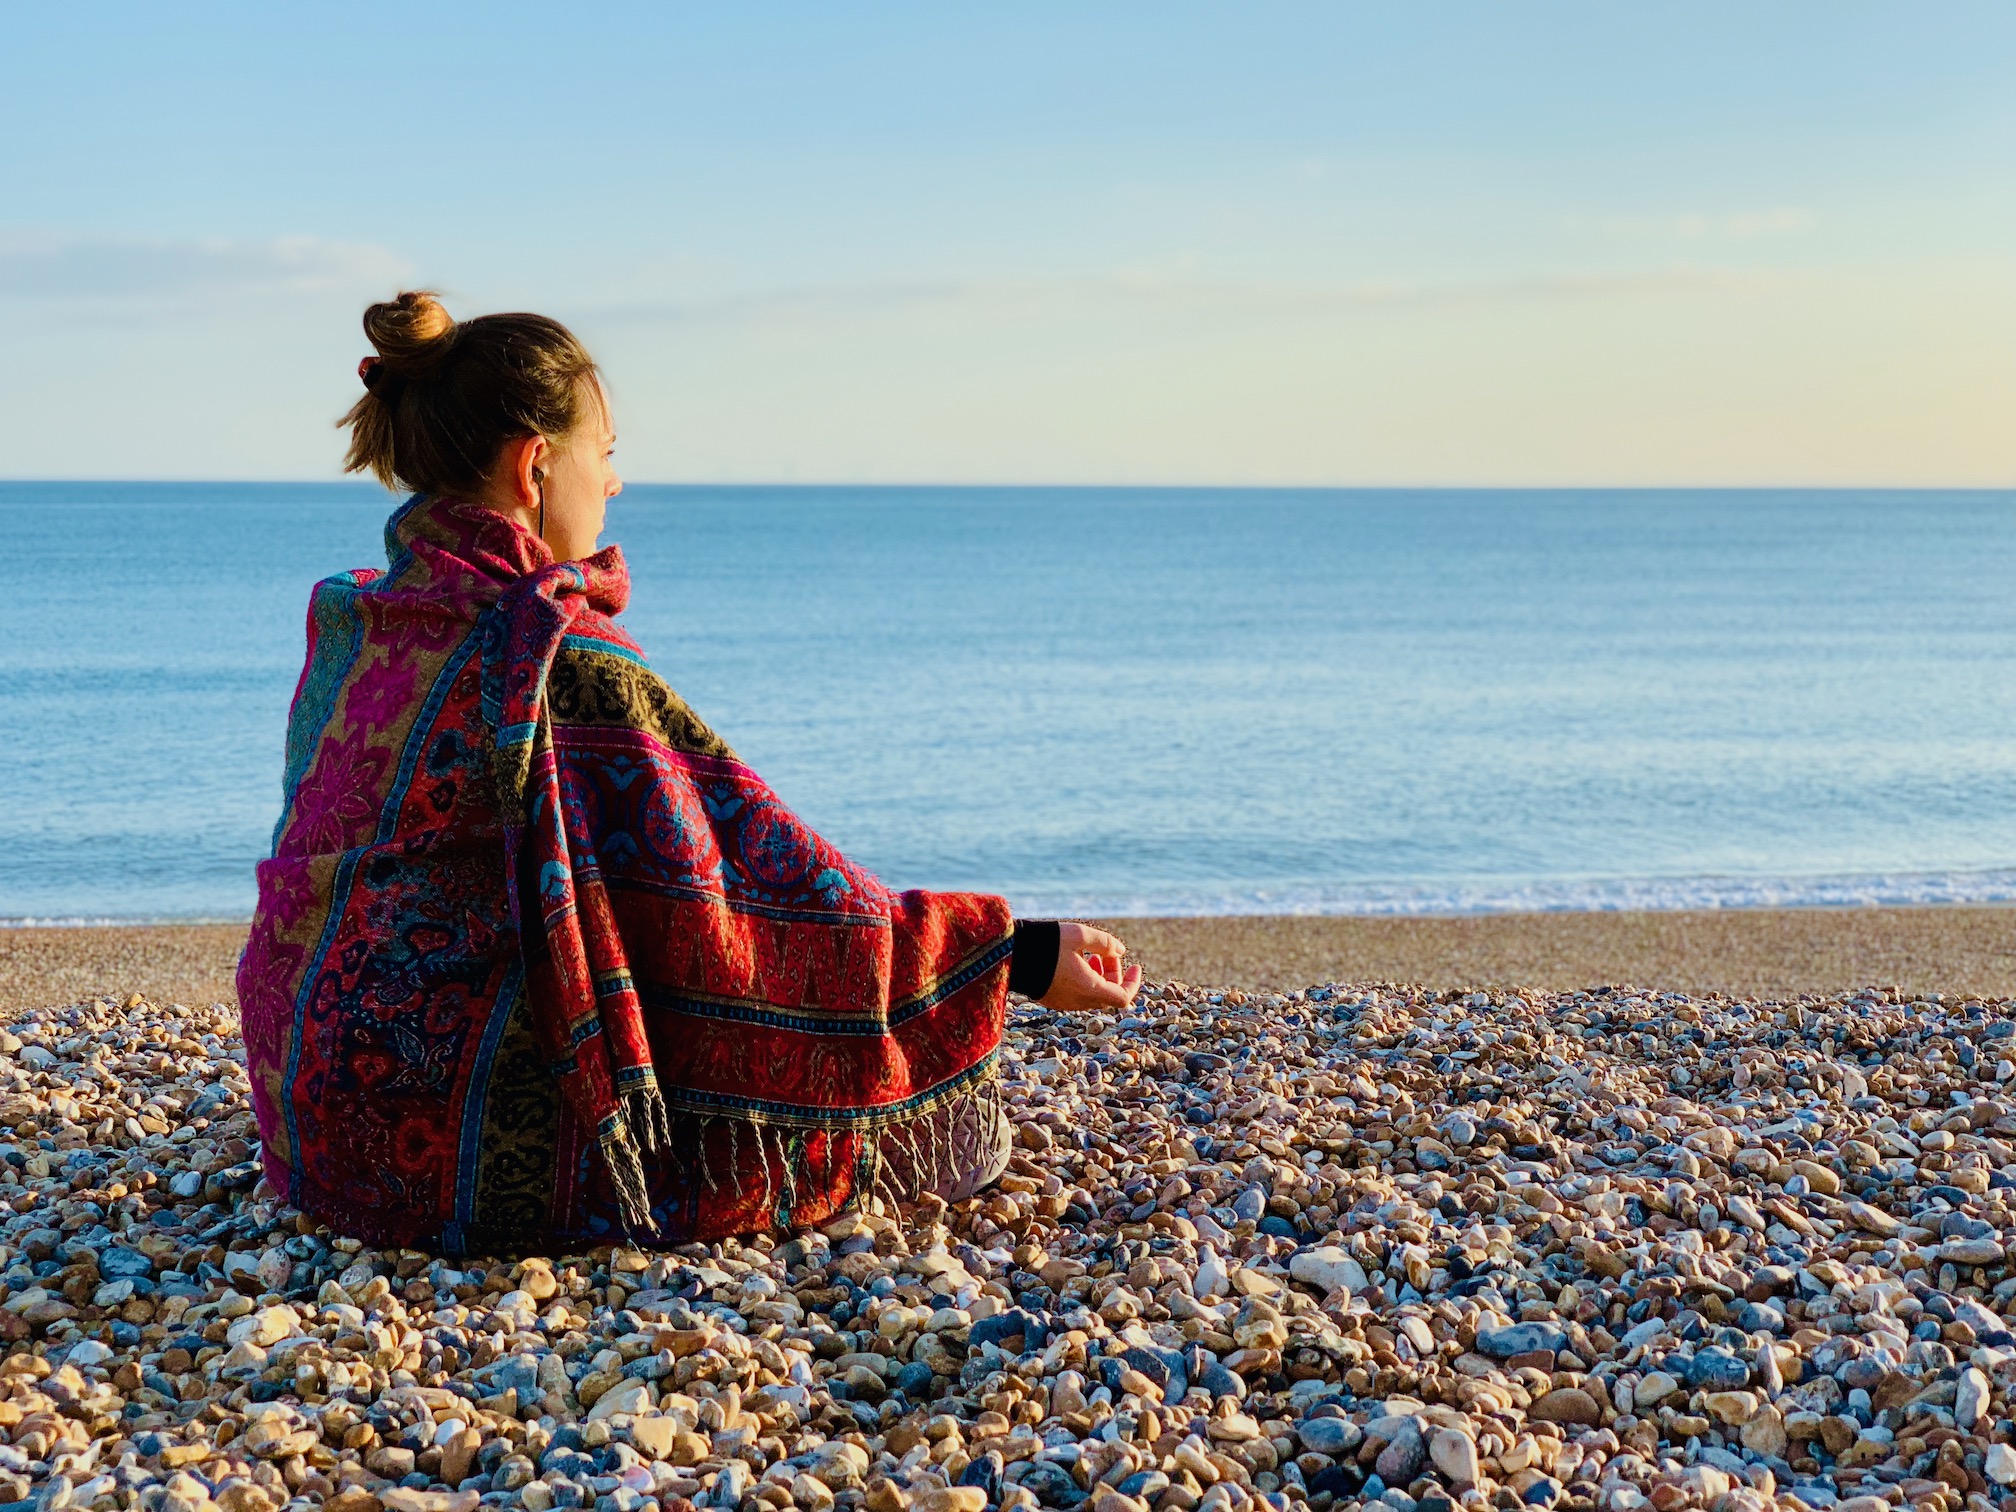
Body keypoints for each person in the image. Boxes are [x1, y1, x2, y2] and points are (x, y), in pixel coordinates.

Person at [238, 291, 1140, 1253]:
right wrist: (1014, 953)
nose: (617, 484)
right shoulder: (555, 657)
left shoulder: (353, 618)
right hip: (444, 1163)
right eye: (609, 452)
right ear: (536, 465)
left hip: (308, 1114)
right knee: (841, 1123)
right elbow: (765, 899)